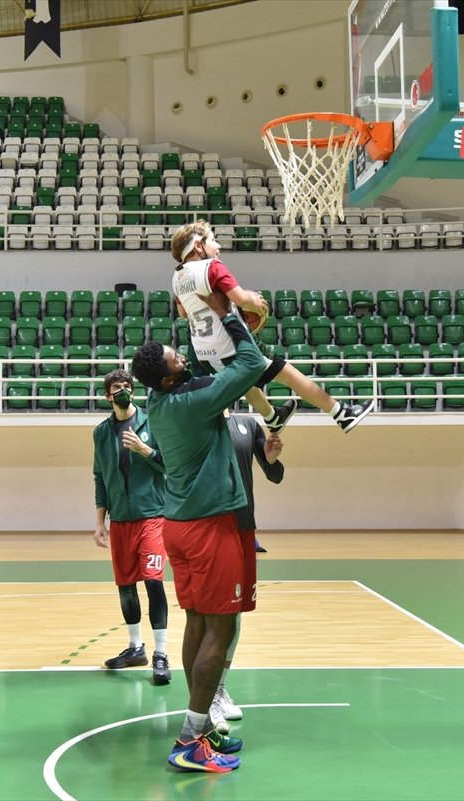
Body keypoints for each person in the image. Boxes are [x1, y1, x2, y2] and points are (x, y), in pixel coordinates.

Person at [130, 290, 261, 773]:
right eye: (176, 358)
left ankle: (202, 727)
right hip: (209, 528)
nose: (182, 357)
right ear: (169, 377)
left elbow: (195, 373)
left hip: (178, 527)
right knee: (220, 629)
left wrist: (198, 325)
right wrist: (227, 316)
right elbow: (251, 363)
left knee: (197, 624)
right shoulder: (193, 402)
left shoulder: (159, 397)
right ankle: (190, 739)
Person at [170, 219, 373, 434]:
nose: (218, 246)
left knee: (245, 380)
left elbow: (183, 313)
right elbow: (243, 300)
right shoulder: (212, 266)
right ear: (198, 246)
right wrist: (254, 301)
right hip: (231, 346)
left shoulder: (177, 276)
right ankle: (341, 413)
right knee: (290, 375)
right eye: (213, 240)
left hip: (205, 352)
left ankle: (272, 416)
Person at [92, 369, 172, 685]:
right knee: (126, 585)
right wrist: (100, 521)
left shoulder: (154, 422)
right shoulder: (101, 432)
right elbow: (100, 477)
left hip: (152, 515)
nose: (122, 390)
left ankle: (161, 653)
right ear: (107, 396)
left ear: (133, 391)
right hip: (120, 521)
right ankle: (135, 647)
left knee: (153, 581)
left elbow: (170, 463)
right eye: (116, 387)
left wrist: (144, 449)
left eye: (126, 386)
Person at [209, 409, 285, 732]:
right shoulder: (200, 418)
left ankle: (219, 688)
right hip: (212, 526)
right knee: (213, 616)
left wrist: (270, 457)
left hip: (244, 527)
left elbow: (275, 474)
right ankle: (206, 695)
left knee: (235, 616)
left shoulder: (248, 424)